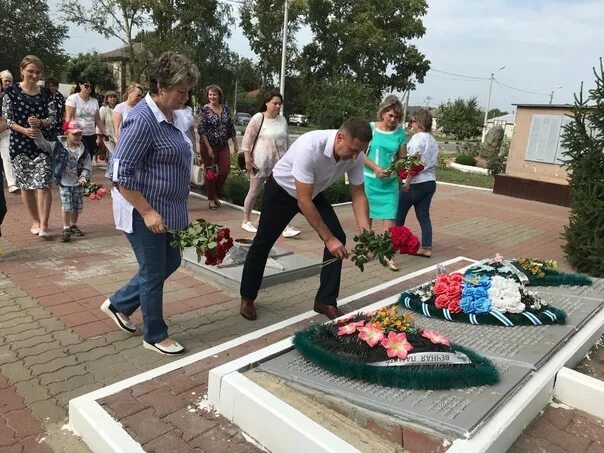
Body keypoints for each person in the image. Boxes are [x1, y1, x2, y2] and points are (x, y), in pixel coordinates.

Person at [102, 52, 199, 356]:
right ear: (159, 86)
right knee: (154, 272)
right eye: (180, 90)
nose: (186, 96)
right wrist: (147, 211)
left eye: (188, 90)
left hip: (168, 210)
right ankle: (155, 334)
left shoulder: (171, 114)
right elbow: (119, 174)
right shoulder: (142, 120)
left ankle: (119, 303)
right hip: (144, 212)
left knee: (170, 262)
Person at [239, 118, 372, 321]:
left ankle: (325, 300)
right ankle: (247, 296)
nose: (355, 156)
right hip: (282, 191)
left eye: (359, 151)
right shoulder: (310, 145)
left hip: (313, 191)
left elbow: (358, 195)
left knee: (338, 236)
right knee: (263, 243)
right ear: (340, 137)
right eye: (353, 149)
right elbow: (303, 201)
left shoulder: (356, 156)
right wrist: (327, 239)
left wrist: (366, 234)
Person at [2, 55, 56, 237]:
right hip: (20, 144)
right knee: (26, 185)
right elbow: (8, 119)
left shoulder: (47, 93)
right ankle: (35, 220)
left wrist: (40, 122)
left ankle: (45, 224)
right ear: (22, 71)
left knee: (44, 183)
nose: (34, 75)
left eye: (38, 72)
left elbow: (53, 119)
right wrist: (24, 130)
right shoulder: (11, 92)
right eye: (31, 71)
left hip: (42, 144)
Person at [241, 89, 300, 238]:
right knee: (254, 192)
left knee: (279, 194)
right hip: (260, 162)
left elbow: (287, 141)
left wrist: (290, 159)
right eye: (275, 103)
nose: (278, 106)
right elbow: (247, 140)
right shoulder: (258, 118)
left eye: (280, 103)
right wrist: (248, 159)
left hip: (279, 164)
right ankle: (246, 220)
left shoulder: (282, 120)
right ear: (267, 103)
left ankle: (284, 226)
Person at [364, 95, 407, 271]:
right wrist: (376, 168)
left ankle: (386, 253)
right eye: (390, 115)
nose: (393, 119)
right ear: (382, 113)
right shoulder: (371, 129)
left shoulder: (400, 133)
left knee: (390, 217)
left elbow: (403, 159)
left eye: (397, 117)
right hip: (369, 180)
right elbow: (360, 153)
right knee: (367, 216)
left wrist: (396, 172)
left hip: (389, 184)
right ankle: (365, 248)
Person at [32, 120, 91, 243]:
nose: (77, 137)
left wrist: (84, 176)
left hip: (78, 183)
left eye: (79, 134)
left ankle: (73, 224)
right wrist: (36, 131)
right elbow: (44, 144)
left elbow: (87, 166)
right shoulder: (58, 146)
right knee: (67, 206)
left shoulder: (84, 151)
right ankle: (66, 228)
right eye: (74, 134)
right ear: (66, 133)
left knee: (77, 207)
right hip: (64, 182)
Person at [396, 109, 439, 258]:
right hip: (430, 182)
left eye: (413, 121)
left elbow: (413, 162)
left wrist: (407, 181)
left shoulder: (417, 139)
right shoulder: (432, 140)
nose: (411, 124)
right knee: (423, 215)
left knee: (399, 213)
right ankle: (426, 247)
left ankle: (395, 243)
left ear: (419, 123)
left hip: (415, 183)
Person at [198, 84, 239, 210]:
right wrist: (209, 147)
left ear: (219, 95)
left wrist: (236, 144)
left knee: (225, 171)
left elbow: (230, 127)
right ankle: (211, 199)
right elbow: (201, 130)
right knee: (210, 172)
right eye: (210, 94)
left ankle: (215, 194)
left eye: (214, 94)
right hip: (207, 145)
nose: (212, 97)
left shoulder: (226, 109)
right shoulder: (204, 109)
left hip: (223, 145)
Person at [65, 79, 107, 164]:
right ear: (80, 85)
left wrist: (105, 133)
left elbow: (97, 119)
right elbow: (68, 117)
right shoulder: (73, 99)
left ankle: (86, 176)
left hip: (90, 134)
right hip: (77, 134)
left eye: (91, 87)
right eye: (86, 86)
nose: (89, 88)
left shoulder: (94, 101)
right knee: (77, 159)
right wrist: (67, 133)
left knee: (88, 158)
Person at [0, 70, 19, 193]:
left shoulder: (12, 96)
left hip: (6, 131)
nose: (7, 83)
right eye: (5, 80)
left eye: (9, 81)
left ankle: (12, 183)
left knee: (7, 156)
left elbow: (8, 118)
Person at [98, 91, 118, 160]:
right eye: (111, 97)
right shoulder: (103, 109)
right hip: (107, 137)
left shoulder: (119, 108)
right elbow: (99, 123)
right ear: (107, 99)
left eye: (114, 97)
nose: (113, 99)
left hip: (118, 137)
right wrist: (99, 137)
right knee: (112, 155)